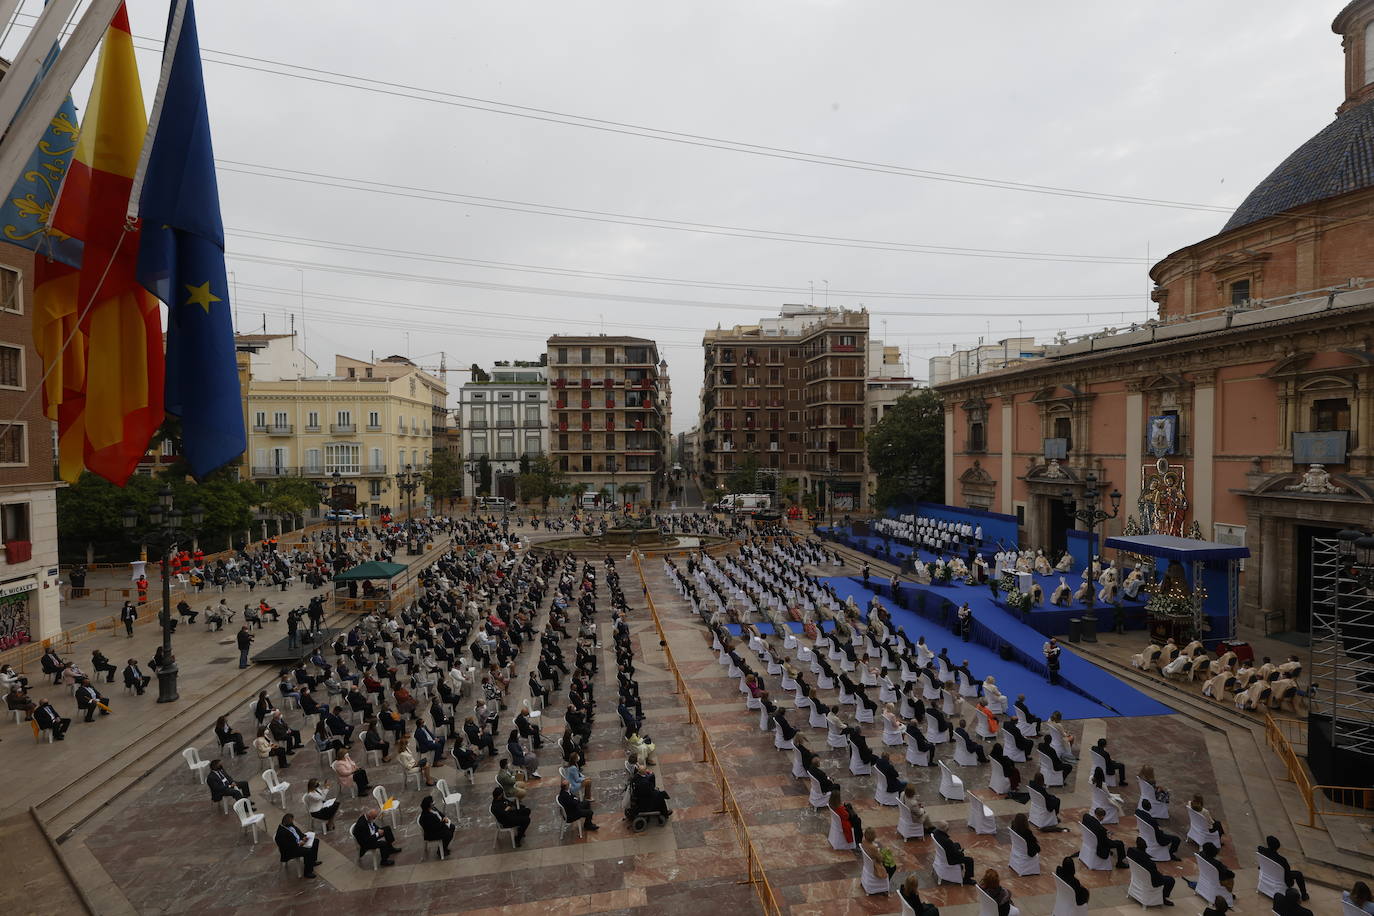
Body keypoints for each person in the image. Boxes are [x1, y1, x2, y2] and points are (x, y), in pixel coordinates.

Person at [1126, 836, 1176, 906]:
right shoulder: (1149, 863)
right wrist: (1160, 875)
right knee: (1170, 880)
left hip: (1138, 875)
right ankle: (1163, 898)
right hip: (1149, 880)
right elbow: (1156, 878)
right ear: (1145, 847)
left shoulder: (1131, 851)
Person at [1257, 835, 1308, 901]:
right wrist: (1290, 883)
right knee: (1298, 874)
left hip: (1267, 872)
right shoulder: (1282, 860)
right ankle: (1304, 895)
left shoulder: (1261, 850)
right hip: (1279, 878)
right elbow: (1287, 873)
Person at [274, 812, 319, 878]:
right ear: (286, 822)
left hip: (298, 843)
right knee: (308, 851)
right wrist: (300, 843)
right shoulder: (281, 833)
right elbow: (287, 846)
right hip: (291, 850)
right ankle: (308, 872)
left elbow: (297, 831)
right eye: (291, 821)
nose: (293, 822)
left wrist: (303, 837)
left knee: (315, 841)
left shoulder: (289, 824)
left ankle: (312, 862)